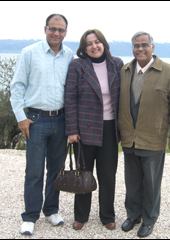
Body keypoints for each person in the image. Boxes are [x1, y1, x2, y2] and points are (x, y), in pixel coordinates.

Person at [10, 14, 74, 235]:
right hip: (36, 120)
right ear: (45, 28)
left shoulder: (69, 55)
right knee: (34, 171)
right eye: (53, 28)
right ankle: (30, 216)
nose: (57, 33)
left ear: (66, 32)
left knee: (56, 170)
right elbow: (17, 86)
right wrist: (21, 117)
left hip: (62, 119)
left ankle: (51, 210)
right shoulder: (29, 53)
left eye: (61, 30)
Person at [118, 31, 170, 237]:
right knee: (132, 182)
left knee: (151, 184)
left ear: (152, 47)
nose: (140, 48)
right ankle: (133, 215)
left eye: (144, 44)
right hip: (129, 139)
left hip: (153, 140)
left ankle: (149, 220)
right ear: (132, 48)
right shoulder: (125, 71)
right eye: (136, 45)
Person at [64, 29, 124, 230]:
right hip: (84, 129)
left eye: (97, 42)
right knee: (83, 174)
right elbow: (70, 99)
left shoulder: (116, 64)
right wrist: (72, 130)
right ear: (84, 48)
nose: (94, 46)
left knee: (108, 175)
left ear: (104, 43)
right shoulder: (77, 66)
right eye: (89, 43)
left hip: (110, 128)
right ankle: (81, 215)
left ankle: (107, 215)